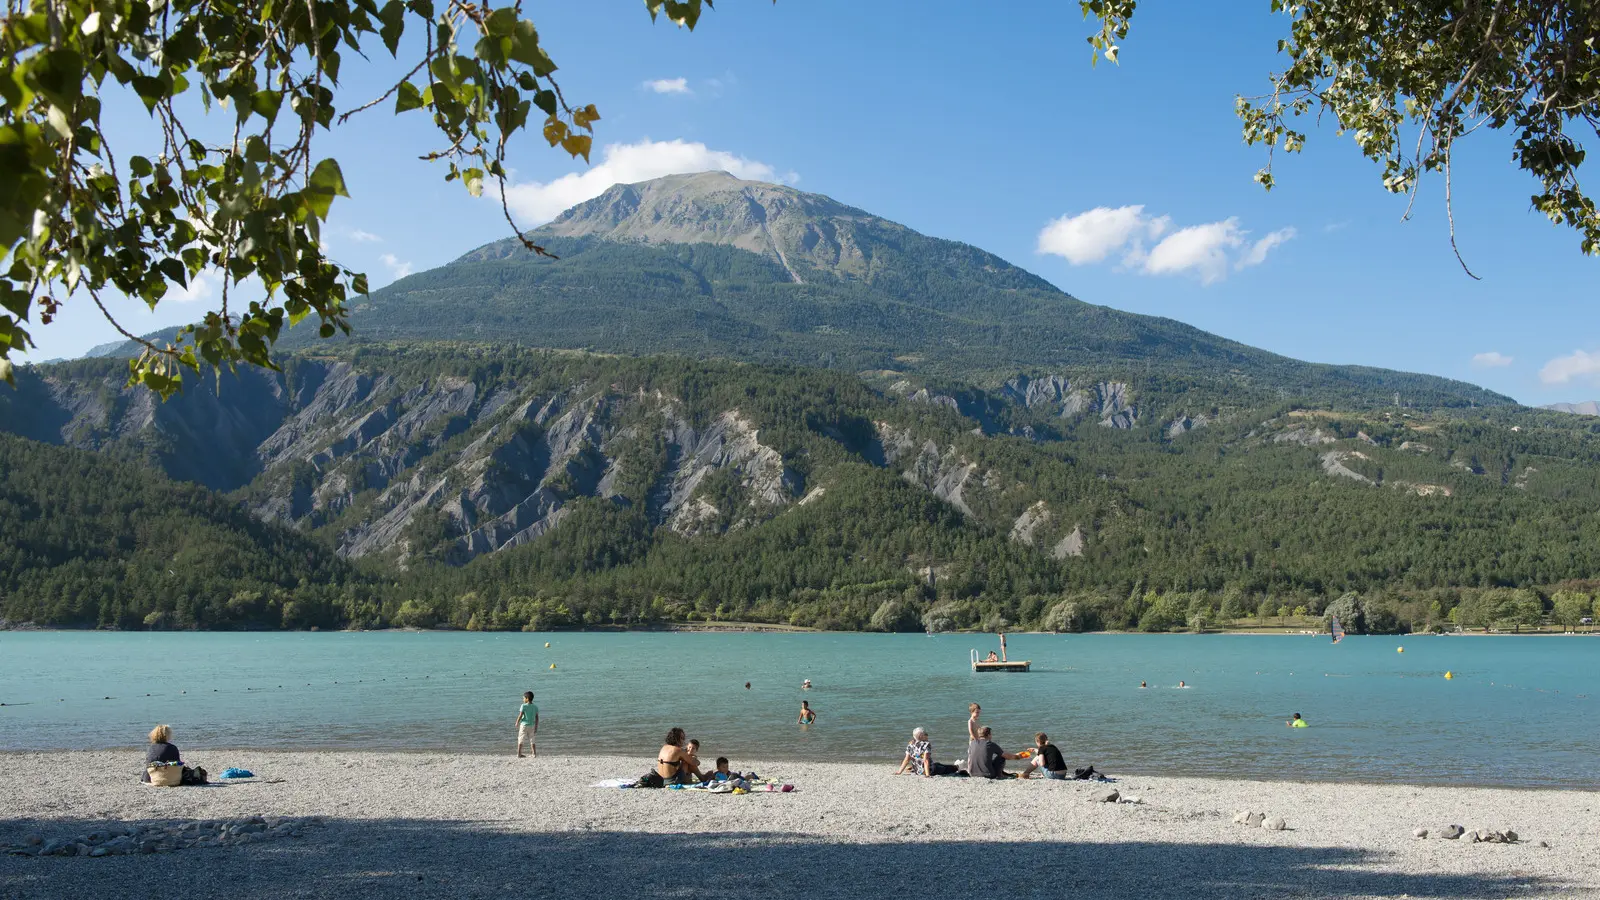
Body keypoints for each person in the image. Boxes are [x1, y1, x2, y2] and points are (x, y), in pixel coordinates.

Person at [515, 691, 539, 758]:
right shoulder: (535, 707)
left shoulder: (523, 706)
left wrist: (517, 722)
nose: (523, 699)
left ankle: (519, 754)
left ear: (527, 699)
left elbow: (520, 715)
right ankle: (534, 754)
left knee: (521, 739)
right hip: (532, 725)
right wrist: (536, 726)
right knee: (532, 739)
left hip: (524, 725)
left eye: (523, 698)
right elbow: (537, 718)